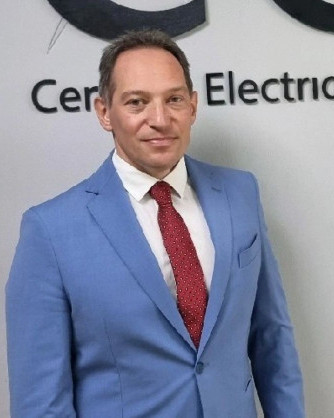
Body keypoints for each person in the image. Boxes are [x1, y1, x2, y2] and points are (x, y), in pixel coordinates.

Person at [6, 29, 304, 417]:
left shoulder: (240, 194)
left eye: (174, 99)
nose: (160, 119)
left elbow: (271, 337)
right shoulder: (50, 230)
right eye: (137, 102)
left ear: (193, 106)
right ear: (104, 112)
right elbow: (40, 400)